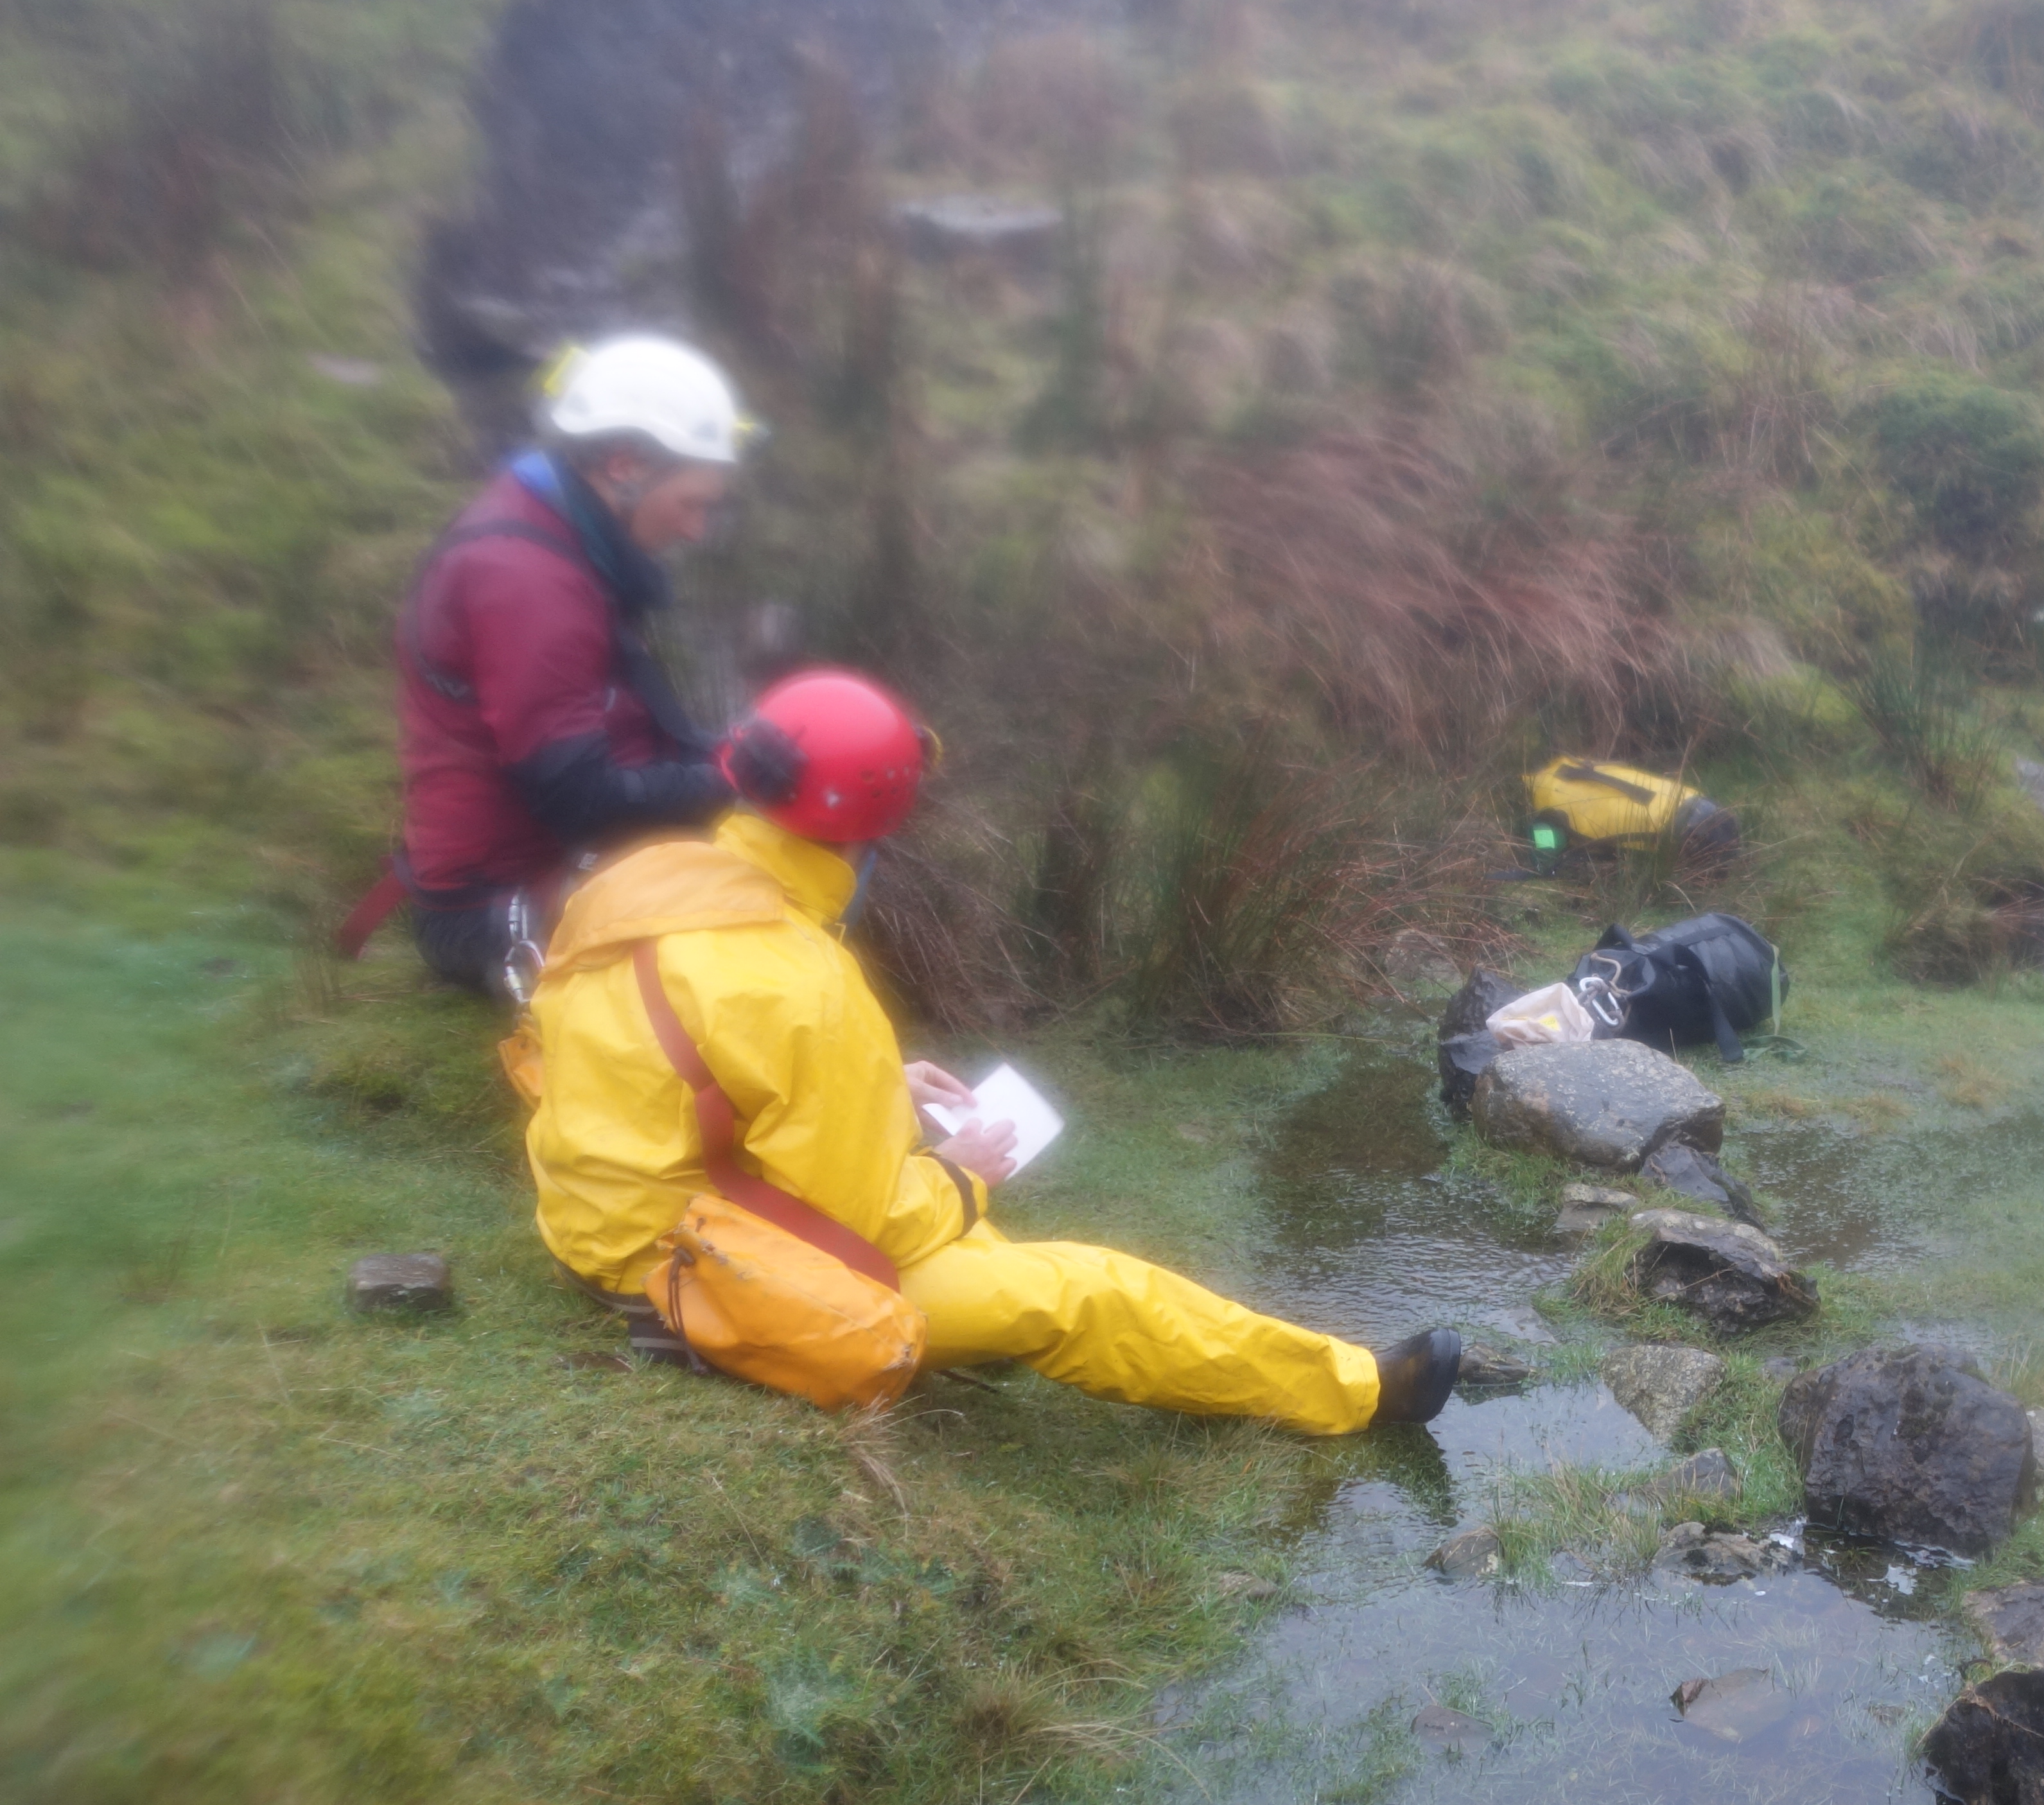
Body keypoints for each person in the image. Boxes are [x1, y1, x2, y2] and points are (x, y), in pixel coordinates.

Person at [519, 667, 1464, 1433]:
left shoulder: (642, 884)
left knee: (983, 1252)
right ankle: (1357, 1393)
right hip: (696, 1273)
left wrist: (874, 1084)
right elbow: (868, 1231)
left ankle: (993, 1331)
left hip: (599, 1227)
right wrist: (963, 1172)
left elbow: (677, 1064)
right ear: (874, 825)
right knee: (1084, 1291)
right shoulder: (799, 980)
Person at [378, 334, 749, 996]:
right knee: (764, 927)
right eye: (690, 503)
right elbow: (579, 800)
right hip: (495, 905)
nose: (696, 529)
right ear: (623, 465)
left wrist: (743, 761)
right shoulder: (526, 580)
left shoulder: (563, 526)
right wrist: (728, 779)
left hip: (566, 856)